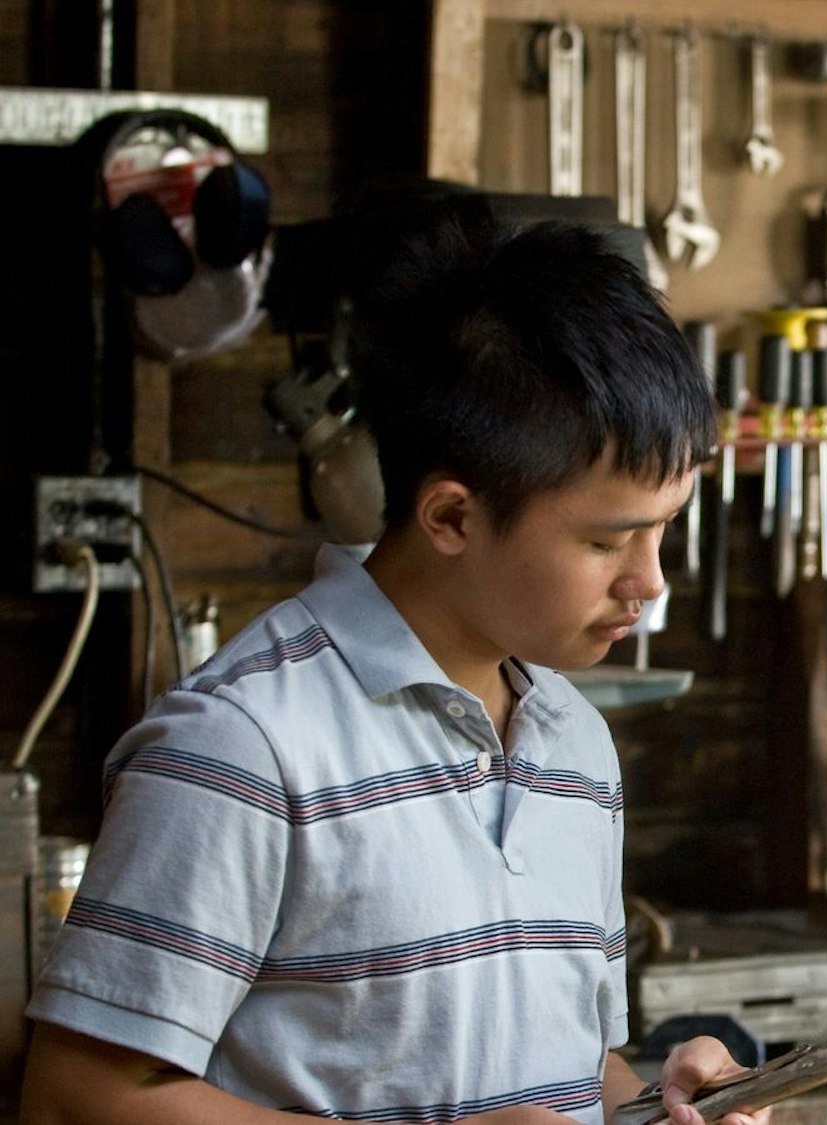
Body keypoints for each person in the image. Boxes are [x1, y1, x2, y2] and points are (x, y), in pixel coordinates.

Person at [23, 198, 759, 1124]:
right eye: (609, 540)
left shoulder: (573, 738)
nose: (648, 581)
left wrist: (659, 1102)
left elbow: (568, 1073)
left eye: (664, 528)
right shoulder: (244, 746)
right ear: (451, 516)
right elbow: (74, 1097)